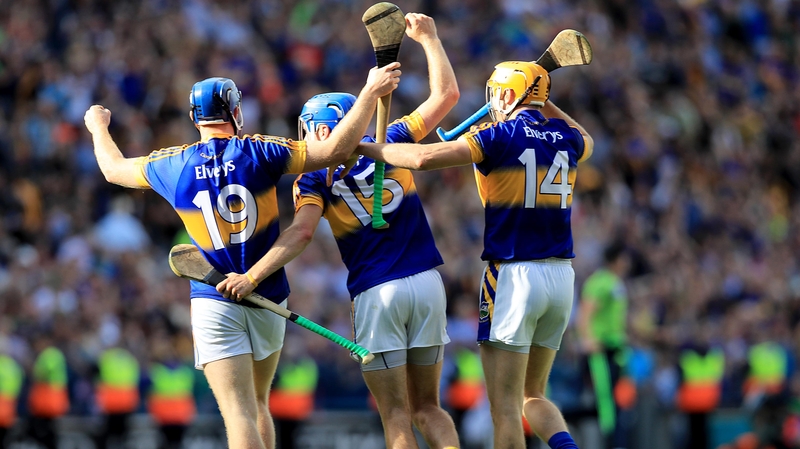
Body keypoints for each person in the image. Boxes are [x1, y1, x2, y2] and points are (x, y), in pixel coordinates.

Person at [84, 64, 400, 449]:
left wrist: (98, 126)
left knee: (239, 412)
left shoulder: (171, 164)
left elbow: (113, 170)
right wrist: (368, 93)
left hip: (214, 296)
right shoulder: (261, 150)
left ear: (193, 119)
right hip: (268, 295)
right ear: (236, 113)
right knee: (258, 403)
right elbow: (335, 149)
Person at [215, 13, 461, 449]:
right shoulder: (394, 136)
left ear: (322, 129)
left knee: (397, 415)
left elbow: (301, 235)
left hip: (376, 293)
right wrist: (430, 39)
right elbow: (446, 95)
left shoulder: (311, 180)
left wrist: (252, 276)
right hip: (426, 283)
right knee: (429, 407)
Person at [356, 60, 594, 449]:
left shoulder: (497, 136)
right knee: (533, 395)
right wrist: (542, 97)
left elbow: (423, 159)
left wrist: (370, 147)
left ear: (505, 95)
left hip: (515, 277)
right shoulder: (567, 136)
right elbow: (588, 138)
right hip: (562, 278)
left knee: (504, 410)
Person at [577, 241, 632, 448]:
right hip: (601, 351)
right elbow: (585, 313)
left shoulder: (615, 283)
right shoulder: (600, 282)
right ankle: (611, 443)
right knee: (606, 402)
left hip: (616, 350)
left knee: (618, 400)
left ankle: (616, 441)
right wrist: (589, 340)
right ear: (616, 260)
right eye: (624, 258)